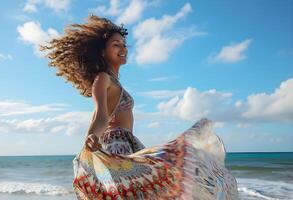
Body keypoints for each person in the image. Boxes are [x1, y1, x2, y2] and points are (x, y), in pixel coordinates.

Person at [40, 14, 239, 200]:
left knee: (171, 176)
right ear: (102, 51)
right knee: (178, 162)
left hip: (127, 142)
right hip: (116, 144)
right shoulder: (103, 78)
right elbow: (100, 115)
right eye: (116, 45)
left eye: (124, 45)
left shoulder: (114, 81)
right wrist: (92, 138)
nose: (123, 49)